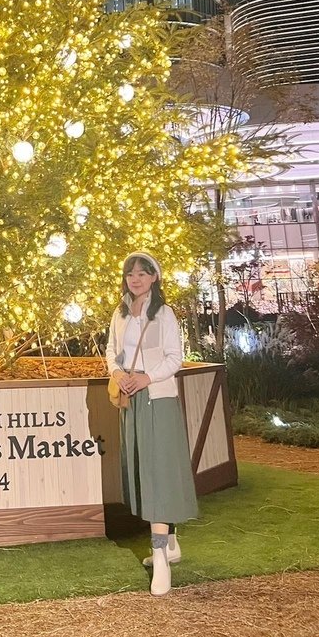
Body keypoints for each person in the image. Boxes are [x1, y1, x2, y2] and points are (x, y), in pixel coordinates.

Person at [105, 251, 198, 597]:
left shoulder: (165, 314)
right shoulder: (119, 313)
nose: (135, 278)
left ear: (155, 278)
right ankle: (170, 542)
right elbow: (112, 351)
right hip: (131, 404)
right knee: (146, 474)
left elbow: (175, 358)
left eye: (143, 273)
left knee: (159, 479)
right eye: (130, 273)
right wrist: (117, 372)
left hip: (158, 401)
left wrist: (147, 377)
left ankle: (159, 553)